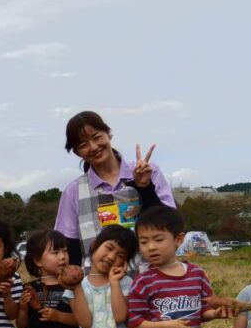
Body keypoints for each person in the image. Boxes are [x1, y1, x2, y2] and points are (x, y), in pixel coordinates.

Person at [54, 111, 174, 268]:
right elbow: (70, 246)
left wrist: (145, 188)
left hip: (150, 280)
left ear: (108, 134)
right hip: (97, 289)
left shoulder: (148, 172)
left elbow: (171, 225)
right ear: (77, 152)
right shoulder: (74, 191)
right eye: (83, 145)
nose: (93, 147)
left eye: (97, 137)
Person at [16, 229, 79, 328]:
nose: (63, 256)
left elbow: (80, 320)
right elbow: (22, 326)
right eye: (55, 252)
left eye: (65, 250)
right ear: (38, 260)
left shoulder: (72, 286)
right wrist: (23, 309)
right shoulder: (30, 287)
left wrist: (58, 316)